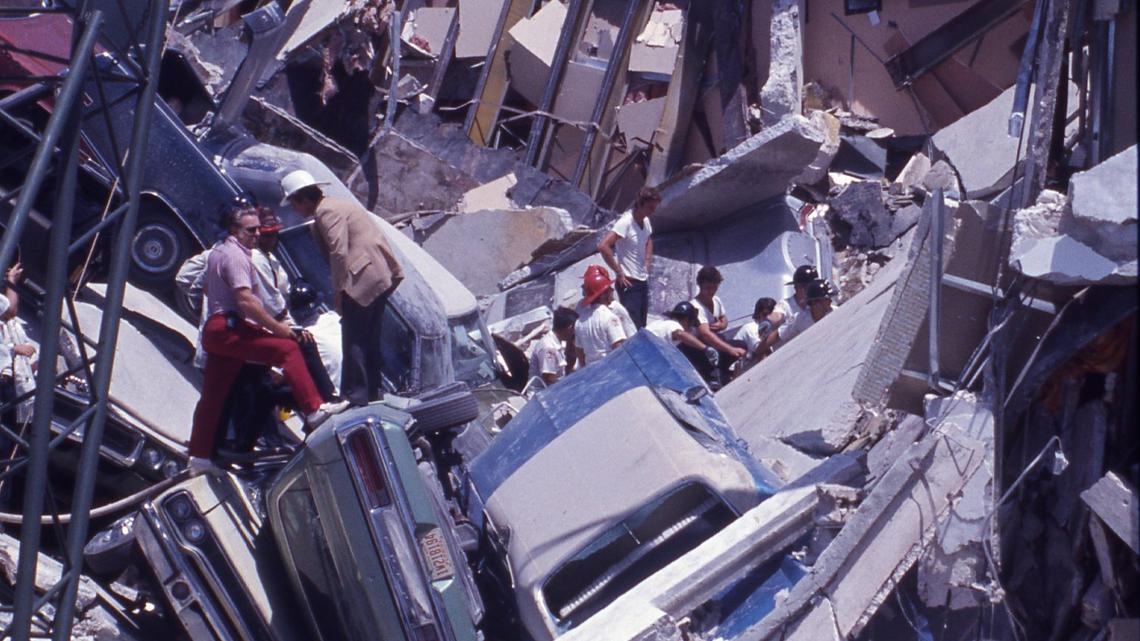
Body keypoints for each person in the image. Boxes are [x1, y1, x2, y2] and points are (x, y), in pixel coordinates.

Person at [189, 206, 346, 473]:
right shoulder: (238, 257)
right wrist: (278, 328)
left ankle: (199, 457)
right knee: (287, 349)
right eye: (251, 230)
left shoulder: (218, 252)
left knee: (213, 398)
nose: (257, 234)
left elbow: (202, 284)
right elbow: (246, 300)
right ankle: (313, 409)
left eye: (258, 229)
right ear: (234, 231)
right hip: (228, 326)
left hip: (217, 328)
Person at [282, 169, 405, 407]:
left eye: (293, 203)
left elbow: (339, 251)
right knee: (369, 338)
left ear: (303, 199)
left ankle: (356, 395)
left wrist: (339, 291)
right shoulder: (339, 205)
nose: (294, 210)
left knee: (354, 340)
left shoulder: (326, 211)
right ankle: (372, 391)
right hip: (378, 277)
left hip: (361, 280)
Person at [597, 186, 658, 328]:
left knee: (642, 324)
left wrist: (647, 260)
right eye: (650, 207)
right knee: (633, 326)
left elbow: (648, 239)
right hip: (629, 284)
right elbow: (603, 246)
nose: (652, 211)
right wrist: (618, 271)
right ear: (640, 204)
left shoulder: (645, 221)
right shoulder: (626, 222)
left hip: (642, 280)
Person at [690, 265, 745, 385]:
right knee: (720, 349)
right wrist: (731, 350)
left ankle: (722, 370)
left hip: (716, 341)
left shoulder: (716, 300)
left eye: (714, 287)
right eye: (708, 287)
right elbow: (705, 334)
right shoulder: (696, 307)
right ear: (700, 285)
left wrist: (721, 325)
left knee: (742, 345)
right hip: (701, 348)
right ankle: (713, 374)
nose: (711, 291)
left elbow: (724, 319)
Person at [289, 280, 343, 397]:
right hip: (357, 385)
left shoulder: (304, 336)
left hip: (336, 393)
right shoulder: (333, 317)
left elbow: (280, 375)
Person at [647, 301, 719, 377]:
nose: (691, 327)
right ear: (687, 319)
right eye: (692, 322)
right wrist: (705, 348)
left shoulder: (661, 323)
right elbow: (679, 334)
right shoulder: (673, 325)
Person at [574, 267, 627, 366]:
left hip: (591, 372)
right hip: (610, 370)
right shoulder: (610, 317)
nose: (612, 290)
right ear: (603, 294)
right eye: (608, 289)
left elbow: (579, 351)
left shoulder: (580, 321)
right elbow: (619, 350)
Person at [528, 306, 578, 387]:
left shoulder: (558, 343)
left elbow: (567, 368)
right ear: (570, 328)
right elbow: (549, 379)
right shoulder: (548, 347)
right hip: (543, 393)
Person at [778, 279, 835, 345]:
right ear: (814, 303)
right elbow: (780, 334)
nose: (830, 301)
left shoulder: (836, 313)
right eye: (826, 299)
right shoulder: (800, 319)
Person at [735, 297, 781, 370]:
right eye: (766, 314)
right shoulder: (751, 328)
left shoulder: (771, 329)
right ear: (759, 314)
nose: (769, 317)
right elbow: (761, 353)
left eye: (772, 314)